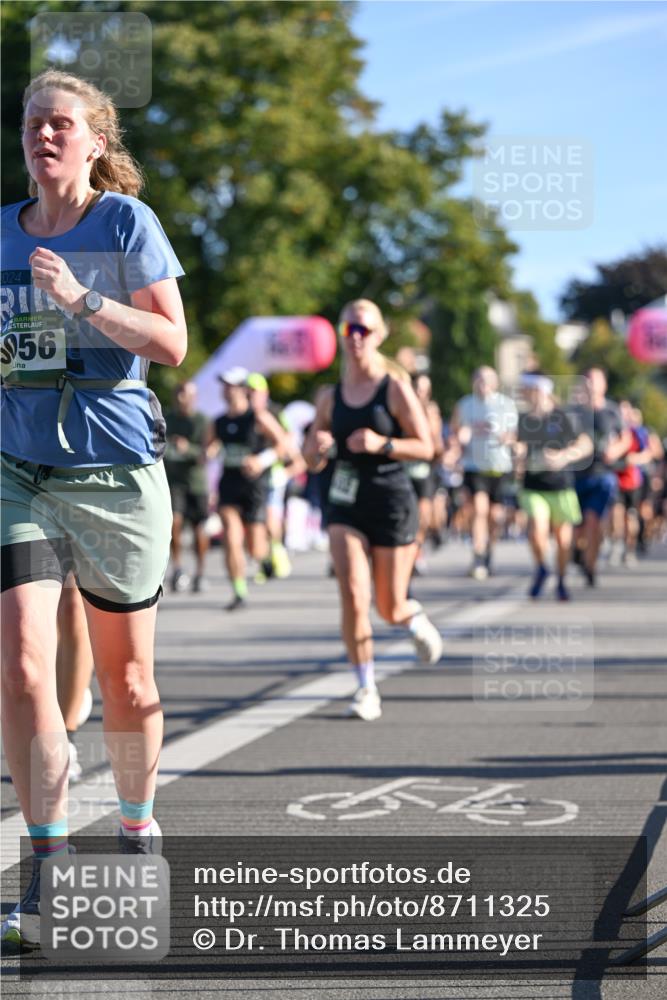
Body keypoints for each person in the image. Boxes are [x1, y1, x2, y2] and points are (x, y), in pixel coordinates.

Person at [1, 70, 186, 949]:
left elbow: (173, 342)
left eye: (61, 124)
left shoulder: (124, 225)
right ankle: (43, 866)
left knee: (129, 681)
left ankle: (138, 827)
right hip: (17, 471)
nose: (44, 135)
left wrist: (81, 300)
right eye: (34, 122)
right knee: (29, 669)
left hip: (114, 470)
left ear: (94, 143)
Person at [303, 299, 443, 723]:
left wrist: (383, 444)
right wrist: (318, 448)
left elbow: (427, 447)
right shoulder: (330, 396)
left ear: (379, 336)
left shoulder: (393, 388)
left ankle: (413, 619)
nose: (357, 337)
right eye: (350, 330)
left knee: (389, 606)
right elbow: (309, 457)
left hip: (390, 499)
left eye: (365, 330)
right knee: (352, 593)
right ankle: (366, 686)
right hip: (345, 501)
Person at [210, 367, 288, 610]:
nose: (226, 390)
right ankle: (239, 592)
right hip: (230, 483)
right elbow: (208, 447)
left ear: (243, 389)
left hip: (254, 485)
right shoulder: (218, 421)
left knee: (255, 546)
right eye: (224, 385)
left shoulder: (259, 417)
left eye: (231, 385)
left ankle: (264, 557)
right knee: (232, 538)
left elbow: (283, 444)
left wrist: (261, 460)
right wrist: (207, 452)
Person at [515, 372, 592, 600]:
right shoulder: (523, 420)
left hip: (560, 486)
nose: (527, 395)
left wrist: (565, 456)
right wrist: (516, 454)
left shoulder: (563, 417)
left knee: (563, 540)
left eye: (530, 390)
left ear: (542, 391)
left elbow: (585, 444)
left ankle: (560, 579)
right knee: (537, 532)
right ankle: (541, 567)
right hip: (533, 485)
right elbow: (517, 446)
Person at [451, 366, 518, 580]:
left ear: (495, 383)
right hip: (474, 465)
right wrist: (459, 440)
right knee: (478, 510)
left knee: (494, 516)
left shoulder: (506, 405)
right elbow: (455, 430)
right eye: (478, 380)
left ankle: (489, 549)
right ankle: (478, 555)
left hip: (499, 466)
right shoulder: (465, 405)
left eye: (487, 380)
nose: (482, 384)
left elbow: (514, 435)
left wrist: (504, 438)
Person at [570, 368, 631, 586]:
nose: (591, 385)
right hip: (576, 475)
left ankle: (591, 566)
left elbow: (626, 439)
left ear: (604, 385)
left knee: (594, 521)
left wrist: (615, 450)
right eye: (588, 381)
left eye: (595, 381)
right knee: (577, 527)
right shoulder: (574, 412)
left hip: (602, 474)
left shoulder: (612, 411)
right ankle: (578, 551)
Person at [246, 372, 298, 580]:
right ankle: (264, 560)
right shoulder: (244, 414)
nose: (251, 396)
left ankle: (278, 551)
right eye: (248, 392)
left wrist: (266, 460)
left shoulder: (274, 412)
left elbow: (288, 441)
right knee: (254, 520)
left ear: (264, 393)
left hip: (273, 472)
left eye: (255, 392)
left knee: (269, 516)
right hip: (252, 475)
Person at [163, 380, 211, 592]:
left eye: (188, 394)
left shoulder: (202, 421)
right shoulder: (166, 418)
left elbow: (207, 454)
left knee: (199, 527)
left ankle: (200, 571)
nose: (183, 398)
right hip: (173, 482)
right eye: (180, 393)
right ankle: (178, 568)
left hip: (196, 482)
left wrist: (187, 449)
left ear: (195, 397)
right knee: (175, 523)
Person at [408, 374, 444, 575]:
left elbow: (437, 445)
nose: (420, 393)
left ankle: (417, 550)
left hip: (425, 469)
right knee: (408, 515)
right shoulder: (401, 407)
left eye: (424, 390)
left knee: (423, 516)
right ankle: (410, 552)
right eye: (417, 388)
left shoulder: (431, 411)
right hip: (404, 470)